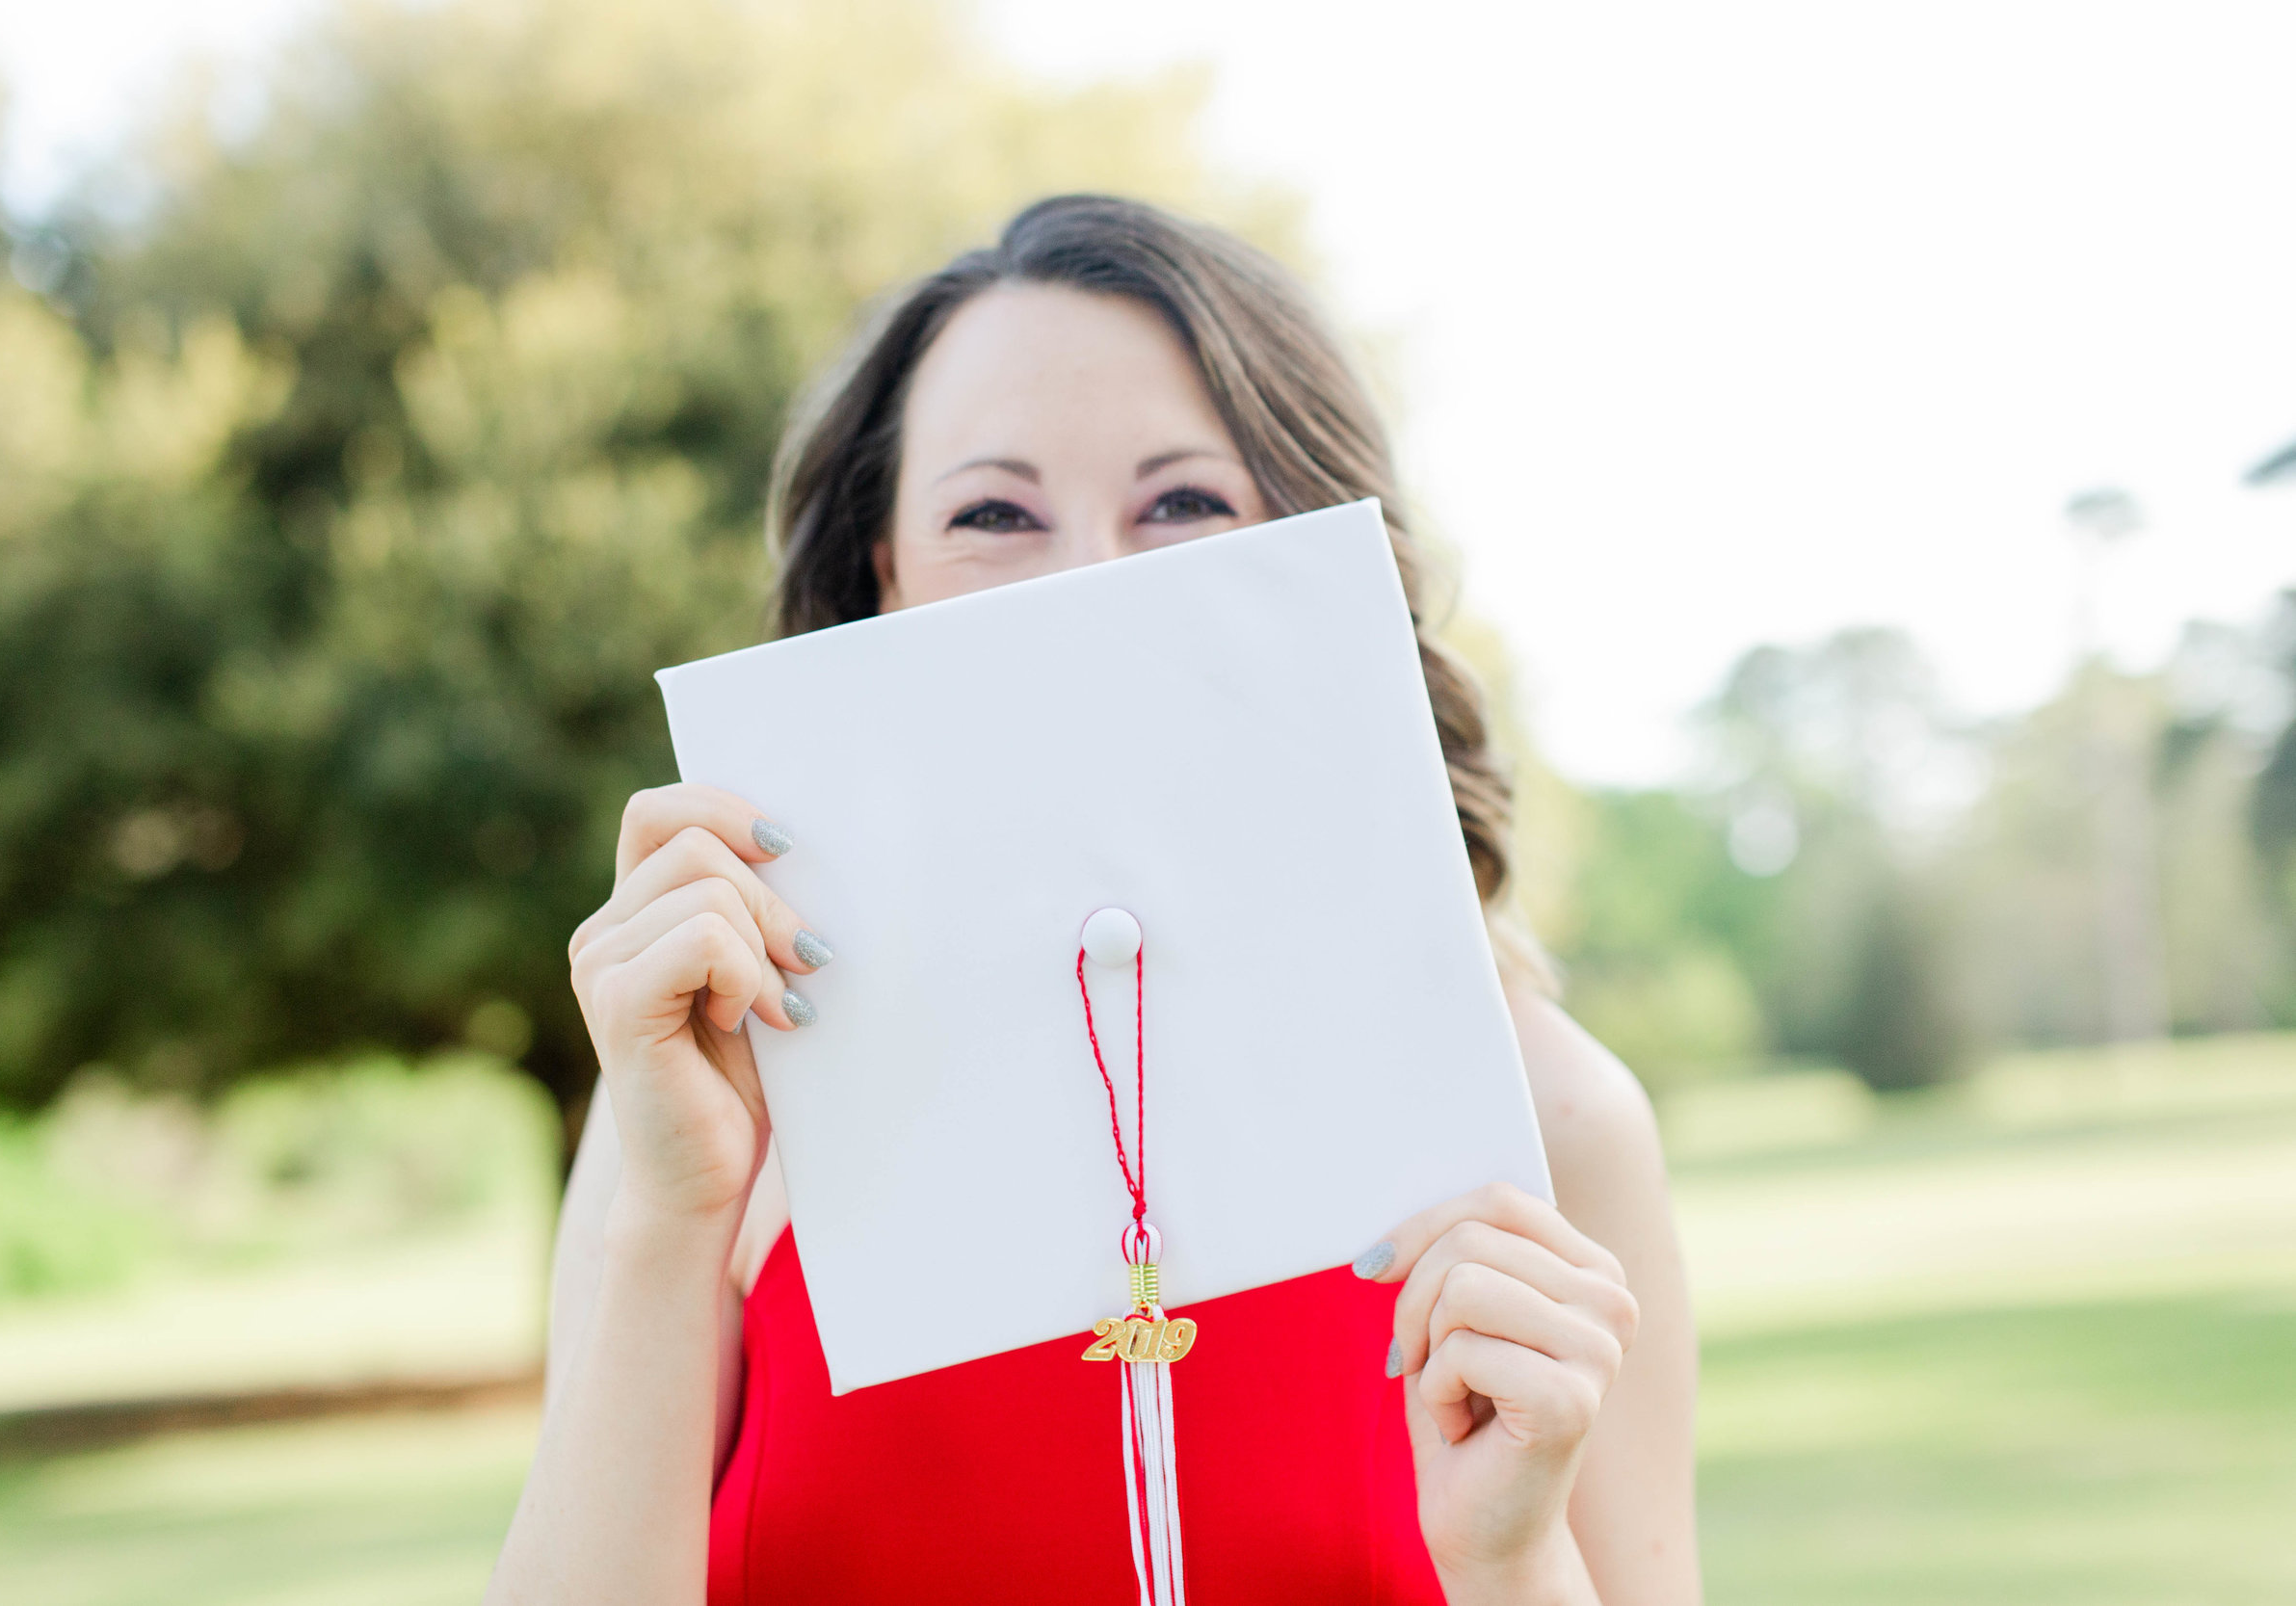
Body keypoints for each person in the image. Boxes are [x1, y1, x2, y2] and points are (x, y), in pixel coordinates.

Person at [487, 195, 1699, 1605]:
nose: (1085, 583)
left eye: (1184, 502)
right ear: (883, 577)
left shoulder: (1547, 1123)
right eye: (992, 512)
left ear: (1313, 549)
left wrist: (1514, 1559)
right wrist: (674, 1210)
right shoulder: (716, 1105)